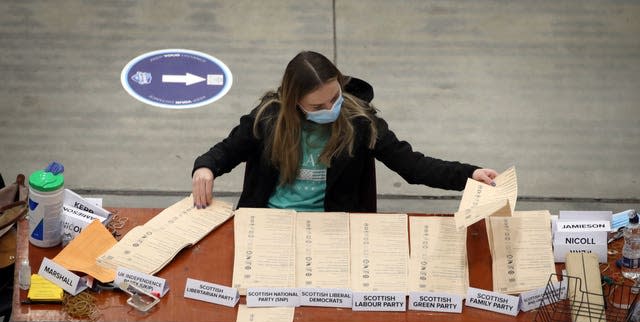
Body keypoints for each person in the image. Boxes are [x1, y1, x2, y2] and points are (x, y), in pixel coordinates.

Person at [192, 51, 497, 212]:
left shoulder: (360, 123)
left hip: (332, 228)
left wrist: (468, 175)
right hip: (270, 221)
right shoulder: (268, 119)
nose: (330, 108)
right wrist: (206, 168)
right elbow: (226, 150)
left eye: (334, 97)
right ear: (293, 102)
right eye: (317, 106)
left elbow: (413, 165)